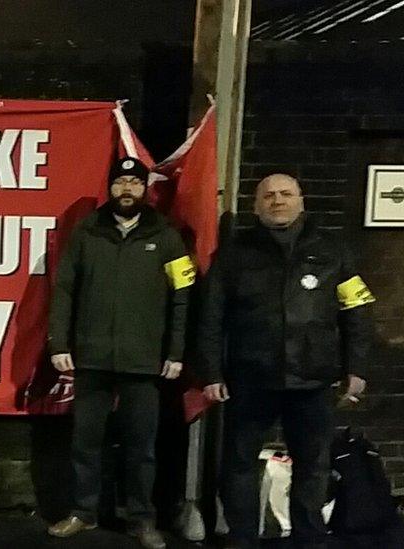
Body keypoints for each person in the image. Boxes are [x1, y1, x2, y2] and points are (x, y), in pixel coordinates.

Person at [196, 173, 374, 549]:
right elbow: (210, 317)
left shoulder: (333, 251)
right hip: (250, 379)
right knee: (240, 465)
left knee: (313, 467)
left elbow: (356, 311)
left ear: (301, 200)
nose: (278, 201)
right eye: (269, 195)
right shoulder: (234, 253)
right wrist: (211, 371)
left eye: (286, 194)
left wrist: (356, 368)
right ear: (257, 204)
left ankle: (309, 539)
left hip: (312, 380)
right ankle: (241, 538)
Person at [46, 156, 195, 549]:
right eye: (119, 183)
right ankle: (82, 511)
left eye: (134, 182)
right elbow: (63, 291)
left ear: (145, 189)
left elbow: (183, 298)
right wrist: (59, 344)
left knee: (141, 448)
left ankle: (142, 520)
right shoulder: (86, 232)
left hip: (144, 362)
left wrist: (175, 352)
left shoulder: (167, 236)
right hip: (90, 357)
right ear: (109, 188)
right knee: (84, 442)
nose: (126, 189)